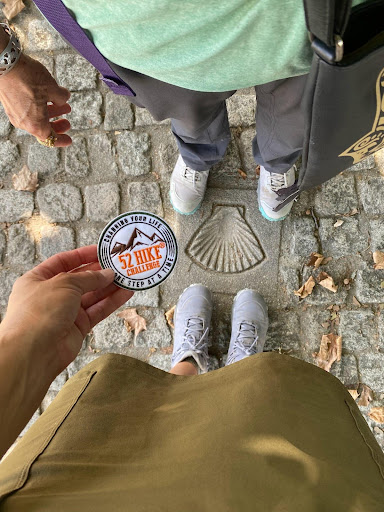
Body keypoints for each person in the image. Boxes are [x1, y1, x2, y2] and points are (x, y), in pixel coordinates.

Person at [0, 246, 383, 511]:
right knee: (264, 406)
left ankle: (187, 363)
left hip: (63, 495)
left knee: (144, 420)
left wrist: (30, 341)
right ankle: (241, 369)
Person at [0, 0, 370, 221]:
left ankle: (277, 163)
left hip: (317, 22)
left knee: (294, 118)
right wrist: (5, 63)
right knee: (191, 116)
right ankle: (200, 155)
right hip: (148, 35)